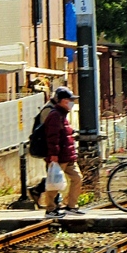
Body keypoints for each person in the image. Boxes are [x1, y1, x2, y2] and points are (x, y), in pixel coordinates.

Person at [42, 86, 84, 216]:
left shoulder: (62, 115)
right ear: (62, 101)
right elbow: (52, 137)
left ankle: (71, 206)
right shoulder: (55, 115)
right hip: (59, 156)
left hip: (68, 156)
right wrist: (53, 154)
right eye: (69, 100)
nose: (72, 102)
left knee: (77, 178)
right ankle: (50, 208)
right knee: (54, 184)